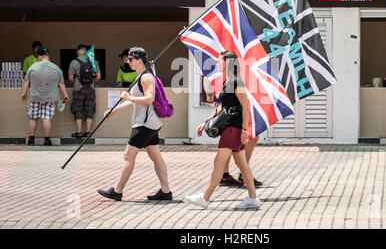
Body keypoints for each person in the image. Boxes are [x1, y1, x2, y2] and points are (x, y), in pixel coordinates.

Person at [184, 50, 261, 209]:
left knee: (219, 161)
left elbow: (245, 106)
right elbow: (222, 107)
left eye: (220, 61)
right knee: (242, 164)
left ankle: (204, 198)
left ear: (228, 63)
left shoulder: (236, 82)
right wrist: (205, 122)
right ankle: (253, 198)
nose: (218, 63)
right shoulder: (228, 81)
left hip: (233, 128)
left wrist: (244, 129)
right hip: (232, 127)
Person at [98, 47, 172, 202]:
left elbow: (149, 99)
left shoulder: (146, 78)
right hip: (150, 123)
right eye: (127, 59)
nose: (128, 61)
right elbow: (135, 103)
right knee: (155, 156)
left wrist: (128, 98)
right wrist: (115, 110)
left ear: (139, 60)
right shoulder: (140, 77)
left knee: (128, 156)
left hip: (144, 125)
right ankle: (166, 191)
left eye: (130, 59)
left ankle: (117, 191)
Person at [20, 47, 69, 146]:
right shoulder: (56, 68)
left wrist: (24, 93)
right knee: (46, 118)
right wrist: (65, 94)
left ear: (38, 56)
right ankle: (47, 140)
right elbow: (61, 84)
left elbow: (26, 81)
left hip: (35, 97)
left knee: (33, 118)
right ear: (47, 55)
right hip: (50, 97)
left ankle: (31, 139)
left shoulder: (33, 67)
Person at [68, 44, 101, 138]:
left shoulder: (74, 62)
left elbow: (70, 78)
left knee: (77, 110)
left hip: (78, 89)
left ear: (78, 51)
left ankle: (78, 132)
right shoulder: (94, 61)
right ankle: (88, 132)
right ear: (86, 51)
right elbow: (98, 77)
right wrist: (91, 81)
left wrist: (77, 82)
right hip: (90, 89)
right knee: (90, 110)